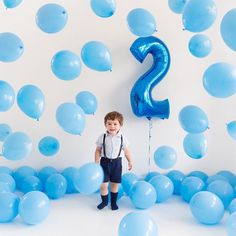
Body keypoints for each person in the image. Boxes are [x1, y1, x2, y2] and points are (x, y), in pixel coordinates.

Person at [95, 111, 132, 210]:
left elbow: (127, 151)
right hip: (104, 162)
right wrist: (96, 161)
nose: (112, 126)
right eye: (109, 123)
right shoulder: (102, 137)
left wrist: (130, 161)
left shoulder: (122, 138)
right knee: (103, 185)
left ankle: (113, 203)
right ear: (105, 125)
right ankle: (104, 201)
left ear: (120, 125)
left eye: (115, 124)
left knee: (114, 185)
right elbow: (98, 150)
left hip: (117, 163)